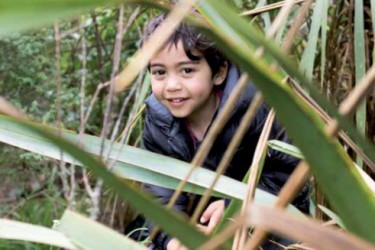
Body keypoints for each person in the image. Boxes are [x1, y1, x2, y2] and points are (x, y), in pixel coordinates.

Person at [140, 13, 309, 250]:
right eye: (159, 72)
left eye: (187, 70)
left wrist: (235, 206)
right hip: (201, 224)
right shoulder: (158, 119)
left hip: (268, 220)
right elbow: (159, 194)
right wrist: (175, 239)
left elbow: (290, 176)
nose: (172, 85)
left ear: (219, 72)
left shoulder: (258, 106)